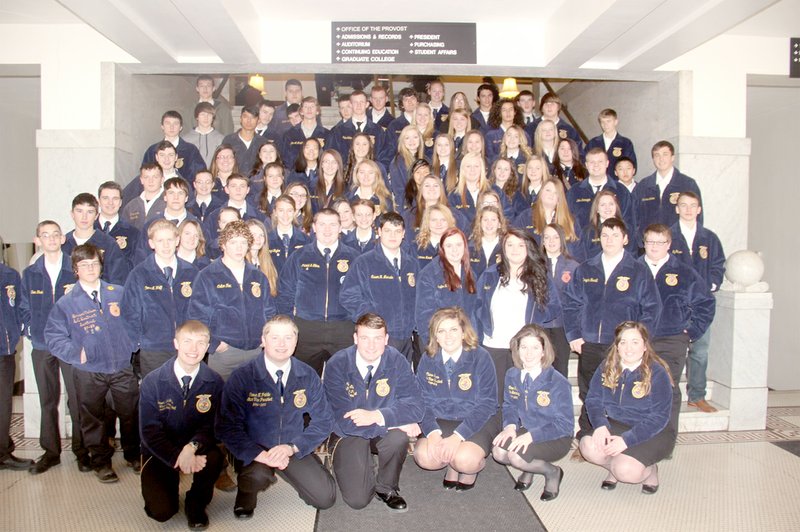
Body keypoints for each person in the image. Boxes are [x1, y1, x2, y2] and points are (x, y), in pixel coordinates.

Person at [216, 315, 336, 518]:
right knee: (258, 474)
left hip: (291, 446)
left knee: (325, 498)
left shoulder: (307, 375)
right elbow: (226, 426)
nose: (282, 344)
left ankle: (286, 469)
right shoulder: (243, 376)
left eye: (288, 338)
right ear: (263, 341)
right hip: (255, 449)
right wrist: (259, 454)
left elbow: (324, 421)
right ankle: (246, 493)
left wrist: (293, 447)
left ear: (296, 341)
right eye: (275, 338)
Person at [562, 218, 661, 453]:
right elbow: (571, 304)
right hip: (591, 343)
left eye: (615, 235)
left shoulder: (638, 270)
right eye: (605, 235)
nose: (609, 240)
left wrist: (639, 341)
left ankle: (623, 438)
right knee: (590, 393)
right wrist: (575, 335)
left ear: (625, 239)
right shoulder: (586, 268)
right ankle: (587, 438)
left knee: (620, 392)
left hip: (623, 346)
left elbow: (652, 308)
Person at [45, 243, 139, 483]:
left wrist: (132, 343)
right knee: (93, 418)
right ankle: (101, 462)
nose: (90, 268)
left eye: (94, 263)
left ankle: (133, 454)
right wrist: (77, 354)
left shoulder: (118, 292)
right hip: (89, 372)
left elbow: (136, 319)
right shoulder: (66, 303)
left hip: (121, 367)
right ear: (75, 269)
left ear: (101, 265)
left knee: (130, 413)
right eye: (84, 265)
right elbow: (53, 336)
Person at [323, 313, 425, 511]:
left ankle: (386, 487)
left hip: (380, 429)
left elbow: (417, 406)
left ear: (386, 339)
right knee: (358, 500)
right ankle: (357, 463)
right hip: (347, 434)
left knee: (398, 439)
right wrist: (394, 421)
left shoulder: (396, 360)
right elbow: (346, 422)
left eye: (378, 338)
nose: (371, 346)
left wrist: (378, 416)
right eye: (365, 338)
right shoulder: (338, 363)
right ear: (355, 338)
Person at [139, 320, 225, 529]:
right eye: (187, 341)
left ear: (207, 347)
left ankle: (196, 502)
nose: (193, 349)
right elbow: (149, 432)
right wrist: (177, 456)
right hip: (160, 451)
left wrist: (191, 447)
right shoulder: (153, 381)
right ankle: (168, 484)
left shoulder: (215, 382)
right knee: (161, 512)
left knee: (214, 458)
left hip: (197, 447)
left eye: (200, 343)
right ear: (176, 343)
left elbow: (213, 427)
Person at [20, 221, 89, 474]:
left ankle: (82, 452)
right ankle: (50, 452)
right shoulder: (30, 273)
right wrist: (32, 330)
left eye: (55, 235)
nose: (50, 239)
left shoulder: (75, 268)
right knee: (48, 400)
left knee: (77, 398)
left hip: (72, 346)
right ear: (37, 240)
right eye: (44, 235)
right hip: (42, 345)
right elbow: (24, 307)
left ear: (63, 238)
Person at [579, 321, 673, 494]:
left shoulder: (657, 373)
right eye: (623, 342)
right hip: (617, 424)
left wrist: (626, 440)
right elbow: (593, 399)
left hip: (651, 430)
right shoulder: (607, 367)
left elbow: (659, 417)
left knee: (627, 471)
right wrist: (600, 425)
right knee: (587, 446)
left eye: (635, 342)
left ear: (645, 345)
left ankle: (650, 470)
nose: (628, 348)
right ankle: (613, 469)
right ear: (617, 346)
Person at [641, 223, 715, 445]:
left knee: (668, 389)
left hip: (671, 339)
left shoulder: (684, 272)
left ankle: (665, 441)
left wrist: (691, 331)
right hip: (637, 341)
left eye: (660, 242)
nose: (654, 246)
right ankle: (640, 440)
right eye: (650, 241)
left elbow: (706, 302)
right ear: (643, 243)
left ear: (669, 244)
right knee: (638, 389)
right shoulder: (632, 268)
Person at [413, 307, 499, 491]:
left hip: (476, 419)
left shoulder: (480, 357)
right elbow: (421, 401)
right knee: (424, 457)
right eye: (441, 331)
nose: (448, 336)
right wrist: (433, 433)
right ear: (435, 336)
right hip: (441, 419)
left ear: (463, 332)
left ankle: (465, 468)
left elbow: (488, 403)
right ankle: (452, 463)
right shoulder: (428, 359)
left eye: (453, 329)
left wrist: (457, 437)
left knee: (465, 460)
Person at [472, 229, 561, 401]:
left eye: (521, 245)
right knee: (495, 396)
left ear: (528, 248)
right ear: (503, 248)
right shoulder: (490, 275)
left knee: (522, 396)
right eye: (510, 244)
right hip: (494, 346)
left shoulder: (540, 276)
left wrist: (534, 322)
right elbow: (477, 307)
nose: (515, 249)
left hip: (524, 349)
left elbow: (555, 307)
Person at [186, 220, 277, 381]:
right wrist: (215, 344)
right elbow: (197, 315)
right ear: (223, 245)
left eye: (243, 242)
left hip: (255, 350)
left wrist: (266, 338)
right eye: (233, 242)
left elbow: (269, 311)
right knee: (222, 401)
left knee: (253, 401)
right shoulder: (208, 275)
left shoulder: (257, 276)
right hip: (225, 353)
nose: (239, 247)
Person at [492, 324, 572, 500]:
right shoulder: (512, 375)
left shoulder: (557, 381)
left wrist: (531, 437)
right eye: (524, 347)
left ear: (544, 351)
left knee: (516, 457)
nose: (529, 353)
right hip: (527, 430)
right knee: (498, 452)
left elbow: (565, 425)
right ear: (517, 349)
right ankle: (529, 469)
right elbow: (510, 405)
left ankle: (553, 472)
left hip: (556, 436)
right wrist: (510, 427)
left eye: (535, 347)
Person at [276, 208, 359, 375]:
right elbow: (285, 293)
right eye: (322, 224)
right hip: (306, 329)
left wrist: (357, 322)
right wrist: (288, 324)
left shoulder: (354, 257)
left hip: (343, 329)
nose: (327, 229)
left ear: (340, 227)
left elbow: (362, 294)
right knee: (303, 382)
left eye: (332, 224)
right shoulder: (299, 256)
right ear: (314, 227)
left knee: (344, 381)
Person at [669, 191, 725, 412]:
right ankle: (669, 395)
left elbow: (718, 265)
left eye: (693, 206)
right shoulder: (669, 236)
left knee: (700, 350)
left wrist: (711, 284)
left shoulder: (709, 238)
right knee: (674, 350)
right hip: (676, 303)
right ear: (677, 208)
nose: (689, 210)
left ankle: (697, 395)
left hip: (701, 304)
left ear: (699, 209)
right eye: (684, 205)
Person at [122, 219, 199, 378]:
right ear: (151, 243)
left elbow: (201, 308)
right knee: (158, 396)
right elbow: (129, 312)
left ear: (177, 240)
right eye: (160, 240)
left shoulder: (192, 272)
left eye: (170, 240)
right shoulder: (139, 274)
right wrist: (137, 342)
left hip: (189, 347)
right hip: (154, 349)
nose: (165, 245)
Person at [340, 212, 419, 363]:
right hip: (377, 337)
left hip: (406, 338)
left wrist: (412, 325)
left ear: (403, 234)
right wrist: (372, 322)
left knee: (401, 380)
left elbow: (417, 298)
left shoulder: (412, 264)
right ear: (379, 232)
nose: (393, 235)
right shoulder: (364, 262)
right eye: (388, 230)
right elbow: (348, 296)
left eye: (397, 231)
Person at [632, 140, 703, 245]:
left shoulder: (687, 184)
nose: (661, 159)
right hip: (649, 246)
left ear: (672, 157)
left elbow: (698, 216)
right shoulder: (643, 186)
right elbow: (634, 217)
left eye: (665, 154)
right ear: (653, 159)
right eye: (657, 155)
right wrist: (639, 241)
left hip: (678, 246)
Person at [415, 227, 478, 346]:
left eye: (458, 245)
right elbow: (423, 317)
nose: (454, 250)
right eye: (449, 246)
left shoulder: (471, 274)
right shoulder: (429, 274)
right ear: (442, 249)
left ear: (465, 247)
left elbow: (474, 312)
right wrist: (434, 345)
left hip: (465, 342)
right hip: (440, 344)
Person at [63, 193, 130, 284]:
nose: (84, 217)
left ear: (96, 216)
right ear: (72, 214)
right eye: (79, 211)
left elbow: (118, 281)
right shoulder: (63, 243)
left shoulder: (108, 244)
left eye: (90, 212)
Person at [541, 223, 580, 378]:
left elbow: (577, 300)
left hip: (562, 326)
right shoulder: (533, 265)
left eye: (556, 237)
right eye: (547, 237)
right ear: (542, 241)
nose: (551, 241)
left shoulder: (574, 266)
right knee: (540, 367)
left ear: (562, 240)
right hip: (541, 325)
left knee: (560, 370)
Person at [0, 261, 28, 472]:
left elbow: (18, 307)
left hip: (5, 350)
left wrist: (16, 332)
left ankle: (3, 451)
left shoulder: (10, 275)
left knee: (3, 403)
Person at [566, 147, 635, 234]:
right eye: (592, 162)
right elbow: (567, 222)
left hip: (613, 245)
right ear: (586, 165)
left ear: (607, 163)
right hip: (583, 246)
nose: (596, 165)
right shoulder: (574, 192)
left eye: (600, 162)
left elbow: (629, 223)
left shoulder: (621, 191)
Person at [140, 111, 206, 189]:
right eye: (168, 123)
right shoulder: (152, 151)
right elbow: (145, 175)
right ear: (162, 126)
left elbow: (199, 176)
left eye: (175, 123)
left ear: (181, 127)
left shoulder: (191, 150)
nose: (172, 127)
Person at [96, 181, 140, 275]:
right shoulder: (89, 229)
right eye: (105, 198)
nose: (110, 203)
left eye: (115, 199)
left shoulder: (133, 233)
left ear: (120, 202)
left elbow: (135, 266)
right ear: (99, 201)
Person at [585, 108, 637, 179]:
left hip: (616, 184)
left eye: (608, 121)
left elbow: (632, 166)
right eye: (602, 122)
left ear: (616, 122)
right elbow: (584, 163)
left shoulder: (625, 143)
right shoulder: (593, 143)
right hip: (596, 182)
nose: (605, 125)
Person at [281, 96, 329, 167]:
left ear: (317, 111)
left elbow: (328, 158)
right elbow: (286, 159)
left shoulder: (327, 134)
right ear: (301, 111)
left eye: (312, 106)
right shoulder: (289, 135)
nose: (309, 109)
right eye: (306, 106)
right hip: (296, 175)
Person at [222, 105, 268, 178]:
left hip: (257, 182)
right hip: (234, 182)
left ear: (258, 120)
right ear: (240, 119)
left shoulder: (263, 142)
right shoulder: (229, 140)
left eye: (253, 117)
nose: (249, 121)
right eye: (245, 117)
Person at [267, 195, 309, 273]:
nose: (285, 215)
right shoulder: (266, 240)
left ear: (295, 212)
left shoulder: (306, 241)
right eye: (281, 210)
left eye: (289, 210)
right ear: (275, 212)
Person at [121, 163, 167, 231]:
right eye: (146, 177)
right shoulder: (131, 206)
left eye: (155, 177)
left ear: (162, 179)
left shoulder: (169, 203)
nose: (150, 181)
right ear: (141, 180)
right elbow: (125, 232)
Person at [388, 125, 424, 209]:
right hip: (409, 208)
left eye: (415, 137)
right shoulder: (397, 163)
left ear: (420, 139)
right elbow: (399, 193)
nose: (411, 141)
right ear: (402, 141)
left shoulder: (426, 160)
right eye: (407, 138)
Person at [468, 205, 506, 279]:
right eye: (485, 220)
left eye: (493, 220)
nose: (489, 223)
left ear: (499, 224)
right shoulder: (469, 246)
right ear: (480, 223)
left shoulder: (507, 246)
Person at [183, 102, 225, 169]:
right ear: (197, 117)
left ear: (213, 117)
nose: (206, 118)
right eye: (202, 114)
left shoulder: (221, 139)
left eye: (209, 114)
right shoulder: (186, 139)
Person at [511, 154, 551, 219]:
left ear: (543, 170)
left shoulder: (549, 193)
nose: (533, 171)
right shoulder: (518, 193)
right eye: (530, 168)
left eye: (537, 168)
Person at [386, 87, 419, 151]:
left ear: (417, 102)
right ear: (401, 105)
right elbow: (391, 149)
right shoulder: (394, 125)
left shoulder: (425, 122)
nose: (410, 102)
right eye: (406, 100)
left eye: (412, 98)